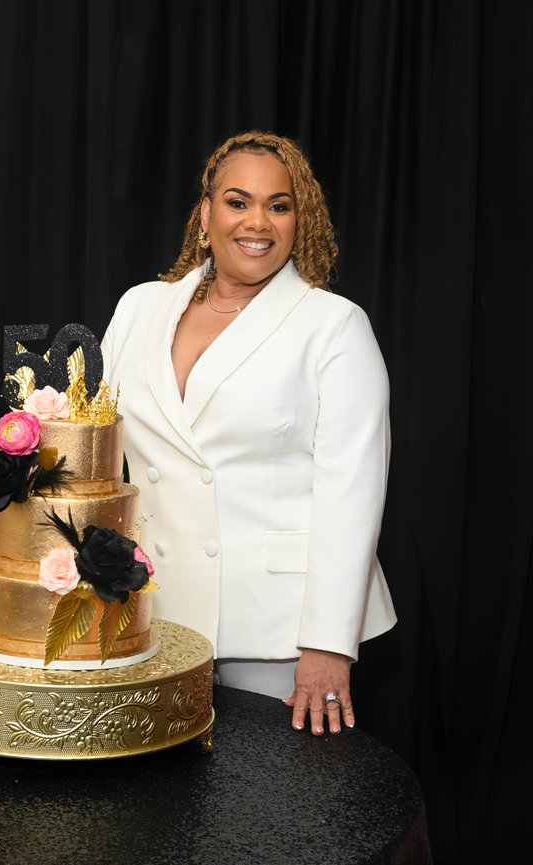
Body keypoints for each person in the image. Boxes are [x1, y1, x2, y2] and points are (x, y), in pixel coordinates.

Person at [101, 131, 396, 735]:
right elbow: (100, 450)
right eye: (238, 202)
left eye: (278, 205)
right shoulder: (139, 307)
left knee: (271, 793)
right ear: (205, 213)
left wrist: (328, 644)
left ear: (297, 221)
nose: (257, 222)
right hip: (148, 610)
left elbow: (352, 494)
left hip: (278, 631)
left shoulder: (334, 325)